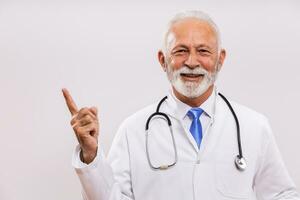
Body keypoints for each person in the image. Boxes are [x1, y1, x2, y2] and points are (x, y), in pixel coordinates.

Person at [62, 10, 300, 200]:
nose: (192, 62)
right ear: (163, 60)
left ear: (220, 59)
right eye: (181, 51)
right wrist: (90, 154)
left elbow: (282, 194)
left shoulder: (254, 126)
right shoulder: (133, 130)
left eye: (203, 51)